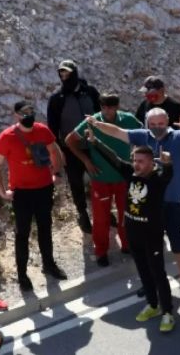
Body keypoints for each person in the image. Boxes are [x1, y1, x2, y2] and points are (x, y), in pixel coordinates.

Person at [91, 108, 180, 299]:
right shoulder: (142, 136)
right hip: (148, 204)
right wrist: (97, 124)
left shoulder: (179, 136)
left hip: (172, 201)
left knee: (177, 240)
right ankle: (151, 282)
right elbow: (116, 132)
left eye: (161, 124)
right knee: (151, 246)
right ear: (147, 124)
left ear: (168, 121)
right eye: (152, 125)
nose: (156, 128)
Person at [86, 132, 176, 332]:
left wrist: (168, 163)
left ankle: (168, 312)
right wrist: (95, 141)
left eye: (141, 161)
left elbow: (169, 174)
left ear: (152, 163)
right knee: (143, 271)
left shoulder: (157, 180)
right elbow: (113, 158)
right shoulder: (130, 174)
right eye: (135, 160)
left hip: (151, 236)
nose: (136, 164)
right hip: (133, 233)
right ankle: (153, 305)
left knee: (158, 273)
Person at [0, 101, 67, 290]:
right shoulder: (7, 136)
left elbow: (54, 150)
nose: (29, 115)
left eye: (31, 111)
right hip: (22, 194)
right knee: (22, 234)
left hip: (43, 189)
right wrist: (1, 191)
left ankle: (49, 265)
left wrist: (57, 173)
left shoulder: (42, 130)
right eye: (24, 112)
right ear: (16, 115)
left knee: (45, 228)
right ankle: (22, 274)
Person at [67, 93, 142, 266]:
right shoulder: (91, 122)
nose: (107, 110)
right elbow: (69, 140)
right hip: (101, 177)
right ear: (100, 107)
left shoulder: (128, 119)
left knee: (127, 214)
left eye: (111, 106)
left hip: (124, 177)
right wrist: (86, 160)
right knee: (101, 218)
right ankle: (101, 251)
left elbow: (142, 135)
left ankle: (127, 244)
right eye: (104, 107)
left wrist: (137, 155)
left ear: (117, 106)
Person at [47, 59, 100, 234]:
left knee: (99, 178)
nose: (64, 77)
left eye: (68, 73)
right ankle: (82, 213)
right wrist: (56, 152)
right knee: (76, 181)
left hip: (94, 145)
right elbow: (52, 128)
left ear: (75, 73)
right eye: (61, 74)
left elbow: (101, 117)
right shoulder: (57, 99)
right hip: (70, 148)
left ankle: (102, 210)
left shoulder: (90, 92)